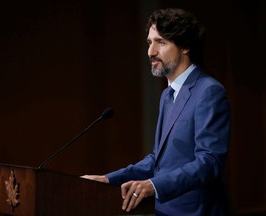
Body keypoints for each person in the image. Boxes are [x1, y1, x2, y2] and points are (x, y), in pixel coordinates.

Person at [81, 7, 231, 216]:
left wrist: (154, 185)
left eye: (161, 42)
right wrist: (109, 179)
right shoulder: (167, 95)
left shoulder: (209, 91)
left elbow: (209, 163)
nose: (151, 52)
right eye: (150, 43)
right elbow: (158, 160)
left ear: (185, 45)